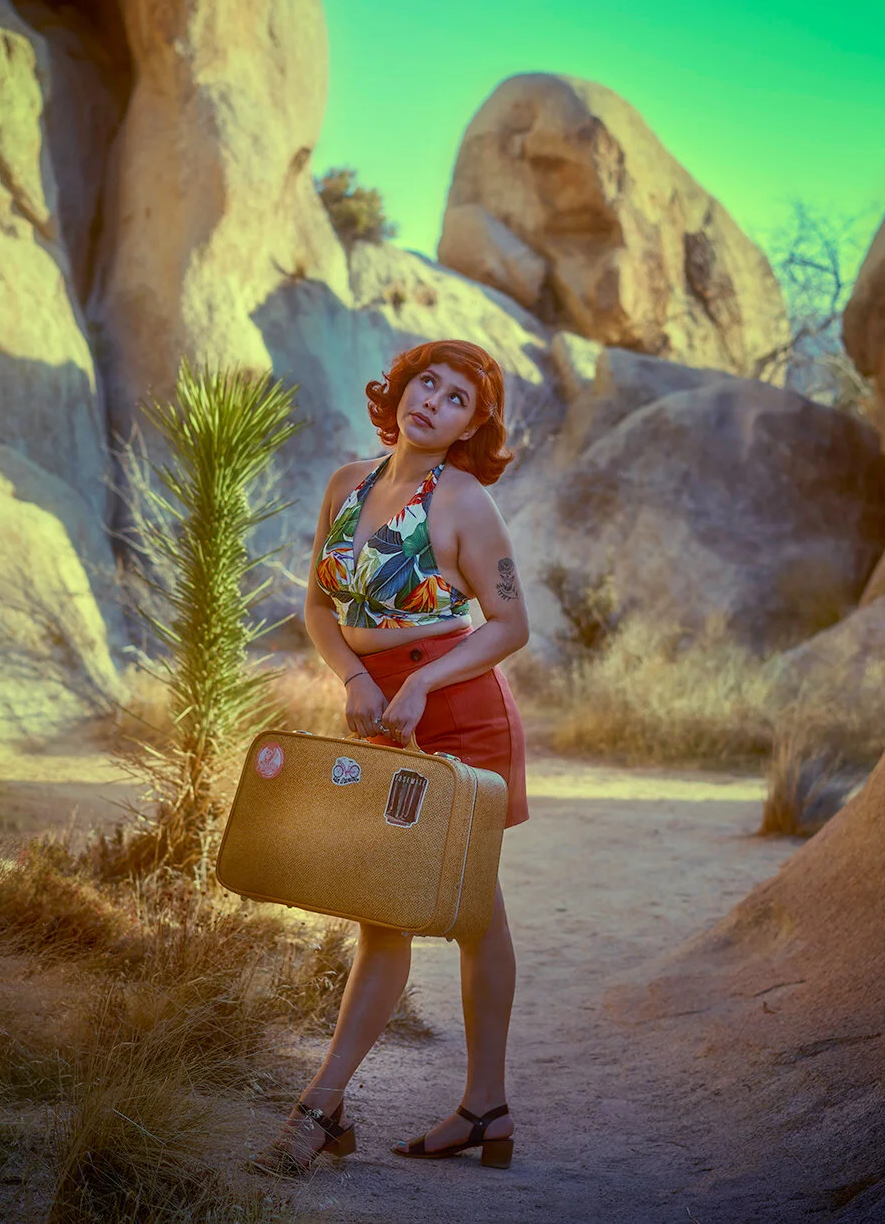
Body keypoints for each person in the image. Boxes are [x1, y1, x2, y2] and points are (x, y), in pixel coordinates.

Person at [250, 340, 531, 1177]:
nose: (433, 403)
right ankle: (479, 1110)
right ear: (399, 389)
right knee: (385, 906)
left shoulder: (468, 504)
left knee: (471, 909)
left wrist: (422, 685)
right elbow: (316, 602)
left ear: (472, 426)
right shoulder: (349, 483)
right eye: (426, 385)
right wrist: (352, 677)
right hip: (379, 713)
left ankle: (328, 1108)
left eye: (456, 400)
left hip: (461, 713)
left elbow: (510, 625)